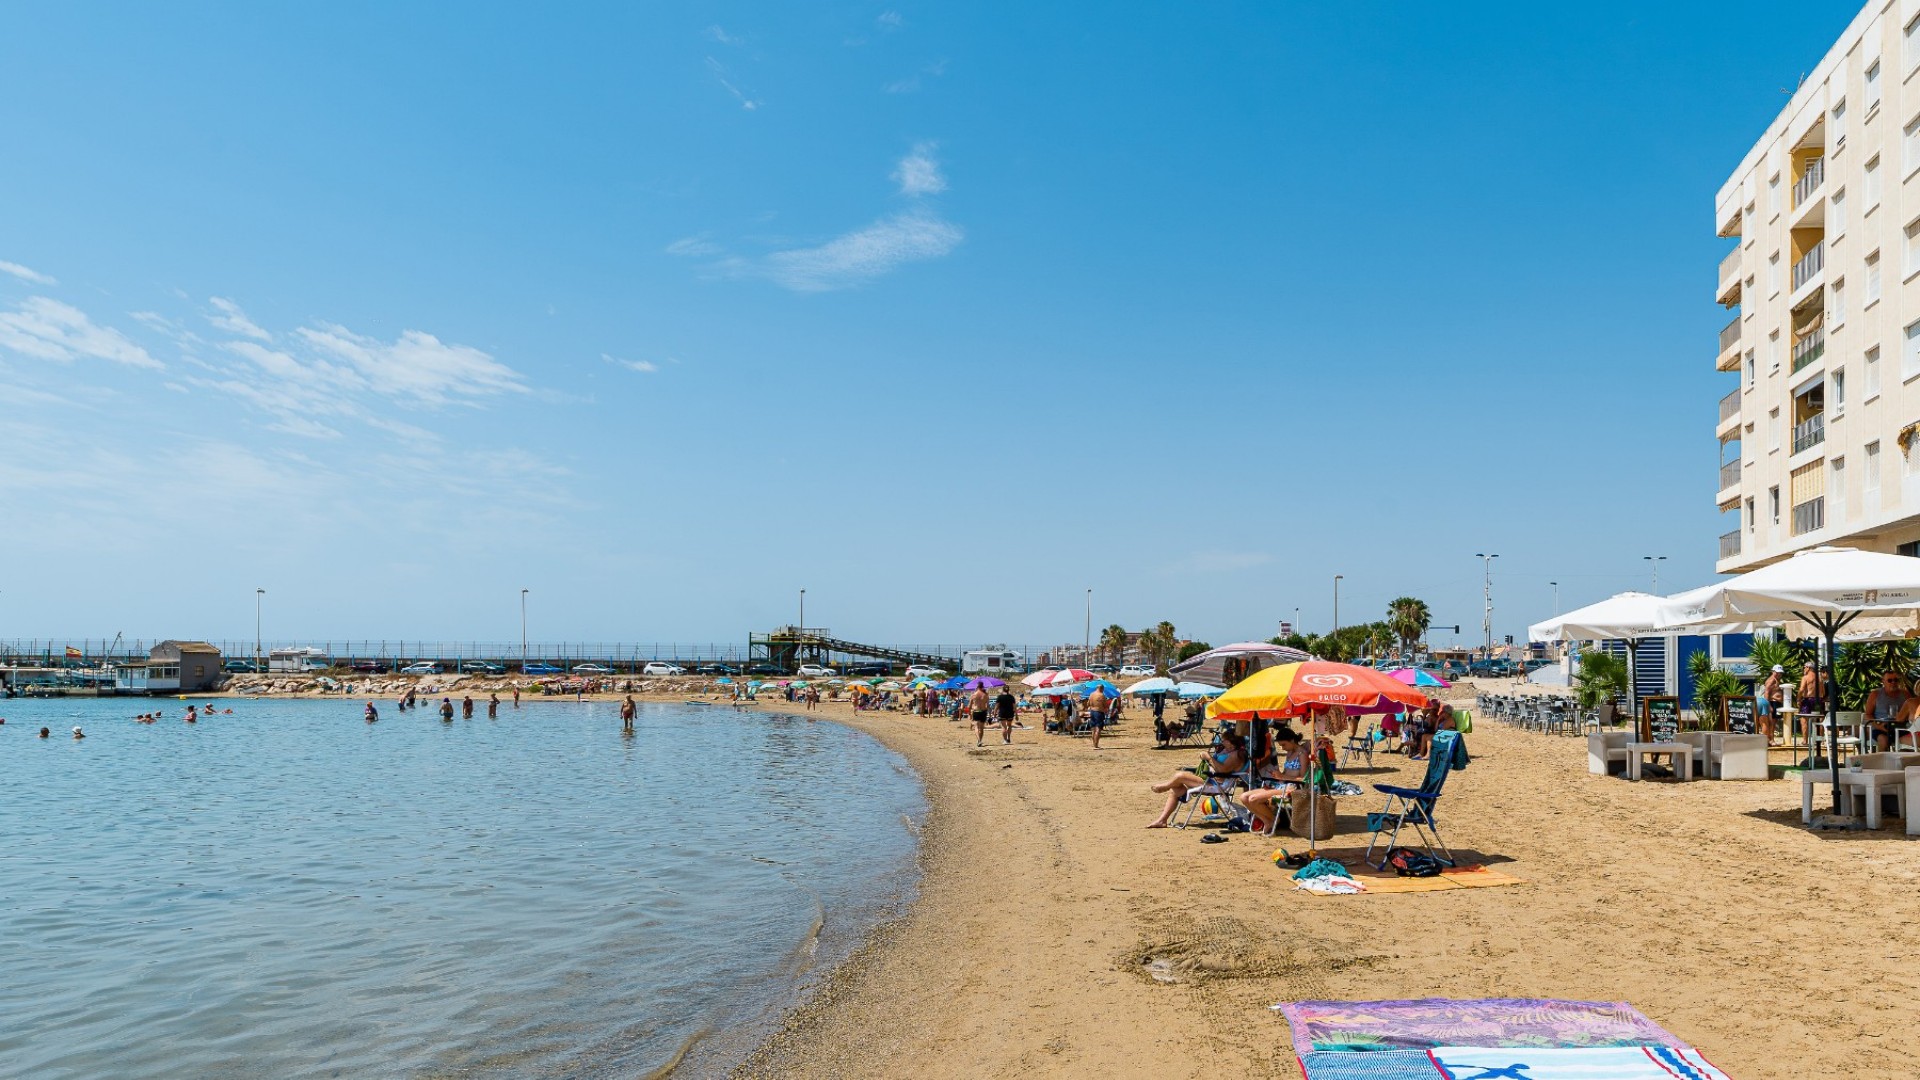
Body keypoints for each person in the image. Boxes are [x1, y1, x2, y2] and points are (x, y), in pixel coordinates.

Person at [1145, 732, 1247, 828]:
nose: (1222, 741)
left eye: (1224, 740)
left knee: (1180, 776)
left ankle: (1164, 787)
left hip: (1216, 784)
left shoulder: (1235, 755)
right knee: (1175, 788)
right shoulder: (1226, 750)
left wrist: (1209, 758)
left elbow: (1222, 771)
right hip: (1210, 779)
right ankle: (1162, 820)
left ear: (1232, 743)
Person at [1239, 729, 1307, 833]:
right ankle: (1267, 820)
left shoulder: (1302, 754)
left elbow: (1303, 778)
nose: (1283, 748)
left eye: (1284, 745)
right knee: (1243, 797)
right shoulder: (1289, 753)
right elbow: (1286, 773)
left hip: (1292, 788)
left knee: (1253, 799)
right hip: (1281, 785)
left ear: (1292, 740)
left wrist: (1283, 777)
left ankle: (1274, 820)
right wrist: (1278, 776)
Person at [1865, 671, 1911, 752]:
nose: (1893, 682)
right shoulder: (1875, 694)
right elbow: (1868, 714)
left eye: (1896, 680)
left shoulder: (1905, 694)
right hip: (1881, 728)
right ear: (1883, 681)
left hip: (1901, 728)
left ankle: (1901, 763)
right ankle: (1881, 763)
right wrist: (1877, 726)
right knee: (1883, 740)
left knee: (1911, 742)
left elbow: (1911, 713)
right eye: (1890, 680)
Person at [1796, 664, 1829, 746]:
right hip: (1819, 700)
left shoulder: (1805, 677)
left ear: (1808, 668)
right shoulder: (1820, 678)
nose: (1803, 669)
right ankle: (1820, 740)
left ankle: (1805, 741)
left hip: (1808, 700)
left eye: (1804, 667)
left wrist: (1798, 699)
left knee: (1804, 720)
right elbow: (1823, 692)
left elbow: (1801, 689)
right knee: (1820, 719)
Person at [1759, 664, 1785, 744]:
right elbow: (1766, 693)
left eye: (1780, 673)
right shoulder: (1771, 680)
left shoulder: (1776, 680)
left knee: (1774, 722)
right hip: (1772, 703)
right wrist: (1768, 705)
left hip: (1776, 703)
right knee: (1771, 722)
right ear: (1773, 672)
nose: (1779, 674)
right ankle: (1771, 739)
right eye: (1777, 673)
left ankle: (1771, 739)